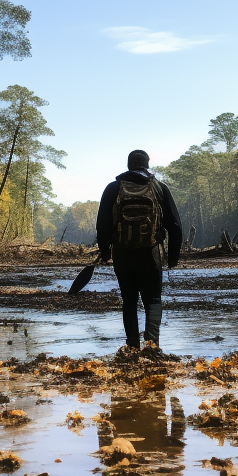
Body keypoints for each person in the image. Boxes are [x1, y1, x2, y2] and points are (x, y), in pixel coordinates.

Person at [96, 149, 182, 351]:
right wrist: (173, 256)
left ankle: (132, 344)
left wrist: (105, 251)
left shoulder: (112, 188)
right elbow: (175, 225)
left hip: (122, 253)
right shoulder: (159, 188)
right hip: (150, 254)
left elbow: (102, 224)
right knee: (153, 299)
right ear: (147, 165)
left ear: (128, 165)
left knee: (129, 300)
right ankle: (152, 345)